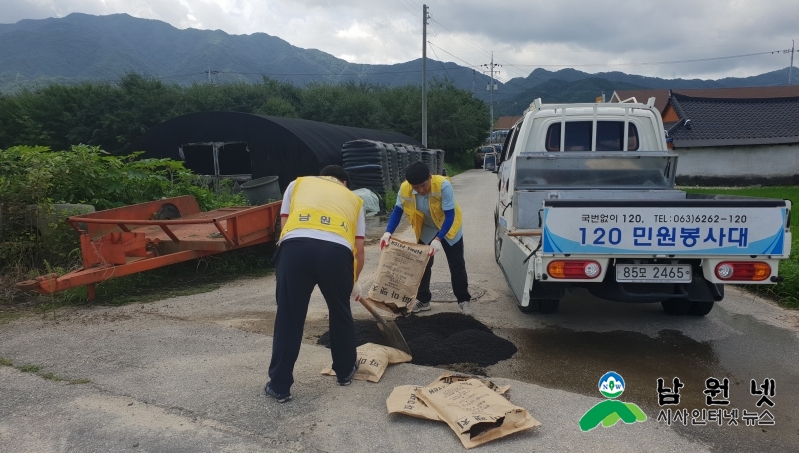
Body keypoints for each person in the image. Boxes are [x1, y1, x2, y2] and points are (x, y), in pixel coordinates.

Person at [265, 165, 366, 403]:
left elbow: (285, 226)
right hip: (336, 253)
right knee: (340, 311)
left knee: (289, 315)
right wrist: (354, 281)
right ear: (345, 184)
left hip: (295, 247)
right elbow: (359, 250)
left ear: (322, 177)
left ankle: (279, 386)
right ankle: (344, 372)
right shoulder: (354, 200)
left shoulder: (297, 184)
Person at [380, 161, 472, 316]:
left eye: (423, 185)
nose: (420, 190)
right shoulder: (405, 189)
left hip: (448, 227)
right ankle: (423, 299)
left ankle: (464, 300)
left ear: (430, 177)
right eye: (416, 187)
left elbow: (450, 215)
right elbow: (397, 211)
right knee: (422, 265)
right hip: (427, 228)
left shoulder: (443, 186)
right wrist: (388, 232)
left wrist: (439, 239)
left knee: (456, 264)